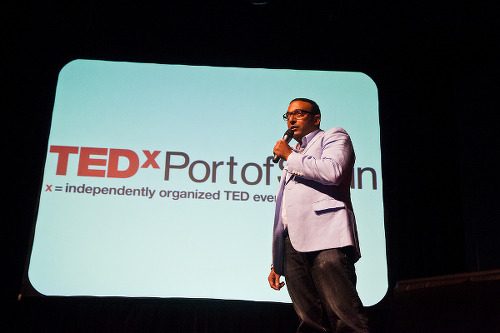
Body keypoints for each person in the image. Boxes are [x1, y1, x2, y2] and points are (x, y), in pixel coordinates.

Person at [268, 97, 370, 333]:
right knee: (309, 322)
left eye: (299, 113)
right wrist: (277, 258)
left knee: (345, 315)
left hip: (328, 238)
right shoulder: (297, 153)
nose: (291, 119)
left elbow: (333, 171)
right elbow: (286, 209)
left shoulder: (333, 136)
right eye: (288, 115)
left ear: (316, 118)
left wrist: (290, 156)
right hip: (292, 245)